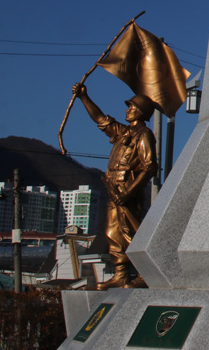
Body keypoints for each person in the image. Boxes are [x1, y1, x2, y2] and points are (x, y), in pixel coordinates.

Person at [72, 82, 158, 290]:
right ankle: (120, 274)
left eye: (131, 107)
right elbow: (101, 119)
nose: (127, 110)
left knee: (131, 231)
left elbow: (149, 166)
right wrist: (84, 97)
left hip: (129, 190)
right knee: (113, 232)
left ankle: (144, 272)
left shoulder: (144, 135)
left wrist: (128, 192)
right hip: (114, 188)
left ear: (140, 112)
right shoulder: (123, 133)